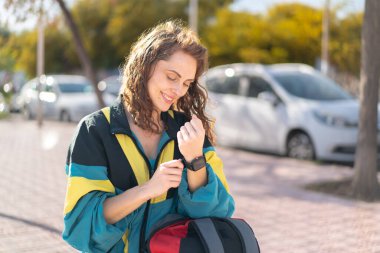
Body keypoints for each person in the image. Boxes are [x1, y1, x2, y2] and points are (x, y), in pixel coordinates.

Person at [62, 20, 235, 253]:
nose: (178, 90)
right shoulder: (95, 130)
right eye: (171, 76)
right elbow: (82, 226)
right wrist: (148, 189)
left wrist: (195, 160)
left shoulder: (191, 132)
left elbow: (218, 214)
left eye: (186, 83)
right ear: (145, 66)